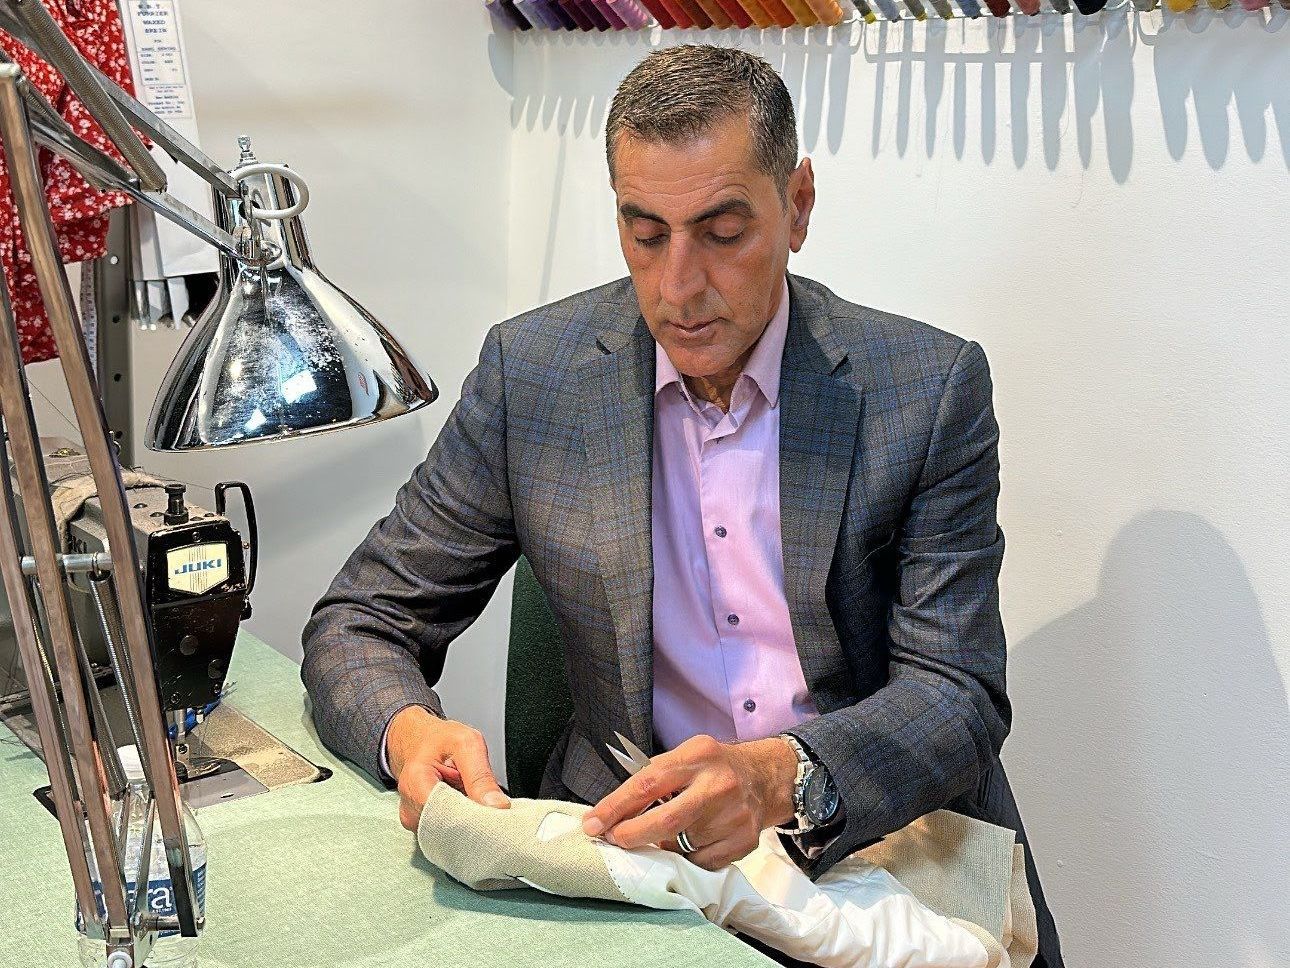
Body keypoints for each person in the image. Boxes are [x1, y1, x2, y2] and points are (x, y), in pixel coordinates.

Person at [301, 44, 1063, 968]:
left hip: (876, 853)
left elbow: (957, 694)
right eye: (646, 233)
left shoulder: (925, 391)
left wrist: (781, 776)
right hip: (643, 873)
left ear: (798, 208)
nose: (677, 286)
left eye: (722, 230)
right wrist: (406, 732)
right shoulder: (533, 374)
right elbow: (362, 618)